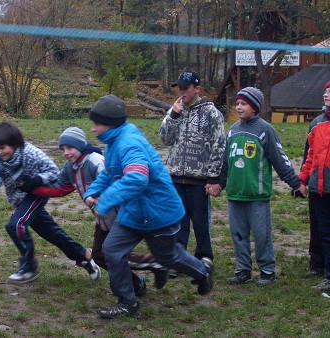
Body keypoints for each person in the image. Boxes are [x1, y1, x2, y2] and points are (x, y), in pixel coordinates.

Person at [82, 94, 213, 319]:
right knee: (111, 250)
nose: (93, 129)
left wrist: (105, 202)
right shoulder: (114, 142)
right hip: (134, 213)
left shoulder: (129, 144)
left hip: (158, 212)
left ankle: (203, 273)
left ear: (111, 123)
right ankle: (127, 302)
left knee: (169, 257)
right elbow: (110, 172)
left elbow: (137, 178)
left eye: (97, 123)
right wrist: (93, 191)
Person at [30, 127, 169, 295]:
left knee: (114, 254)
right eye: (62, 149)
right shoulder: (71, 167)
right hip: (103, 221)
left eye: (69, 148)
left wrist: (100, 201)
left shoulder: (95, 161)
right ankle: (137, 285)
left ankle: (152, 265)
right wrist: (33, 188)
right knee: (100, 256)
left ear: (80, 145)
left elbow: (113, 182)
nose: (66, 152)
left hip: (121, 217)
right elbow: (60, 187)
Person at [0, 121, 101, 284]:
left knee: (15, 225)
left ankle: (29, 267)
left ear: (15, 144)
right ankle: (84, 256)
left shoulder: (30, 152)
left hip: (37, 193)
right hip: (19, 200)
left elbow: (53, 173)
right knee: (50, 232)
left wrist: (36, 180)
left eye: (2, 148)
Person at [212, 87, 307, 286]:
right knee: (238, 234)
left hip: (257, 195)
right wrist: (219, 184)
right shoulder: (233, 131)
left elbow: (280, 160)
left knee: (262, 235)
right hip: (236, 194)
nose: (238, 107)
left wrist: (296, 183)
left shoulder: (265, 130)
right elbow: (226, 162)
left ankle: (267, 270)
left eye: (243, 104)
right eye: (237, 103)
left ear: (255, 107)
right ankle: (243, 269)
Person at [159, 71, 226, 265]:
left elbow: (218, 145)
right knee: (178, 222)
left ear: (197, 89)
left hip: (199, 178)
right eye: (179, 88)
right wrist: (173, 115)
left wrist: (213, 177)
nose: (181, 92)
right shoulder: (175, 111)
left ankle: (204, 258)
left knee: (201, 222)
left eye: (185, 88)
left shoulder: (211, 113)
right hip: (176, 177)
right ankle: (179, 259)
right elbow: (164, 139)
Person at [298, 81, 330, 290]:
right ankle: (325, 271)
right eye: (326, 92)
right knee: (323, 231)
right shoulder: (317, 124)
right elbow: (310, 155)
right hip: (319, 188)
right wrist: (302, 179)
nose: (326, 95)